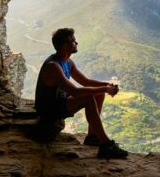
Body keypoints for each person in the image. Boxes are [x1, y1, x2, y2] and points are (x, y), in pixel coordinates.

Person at [34, 28, 128, 159]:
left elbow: (85, 81)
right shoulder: (53, 66)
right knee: (88, 99)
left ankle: (92, 137)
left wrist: (106, 85)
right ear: (65, 45)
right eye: (73, 41)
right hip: (49, 109)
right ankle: (106, 145)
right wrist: (106, 89)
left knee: (98, 94)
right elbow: (75, 91)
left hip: (59, 102)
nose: (76, 43)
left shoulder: (67, 62)